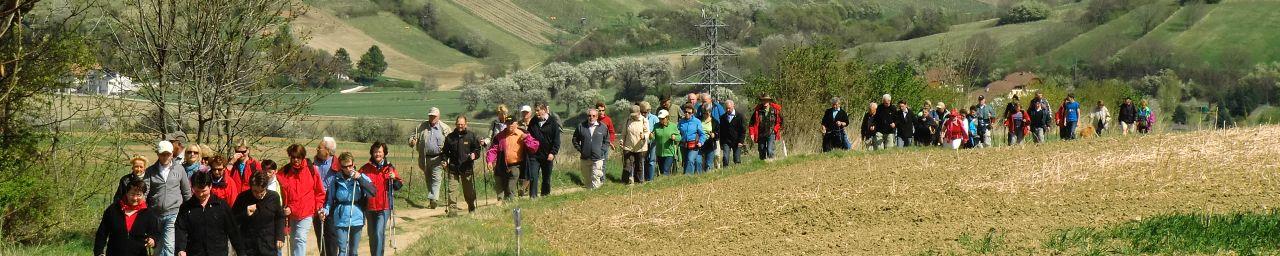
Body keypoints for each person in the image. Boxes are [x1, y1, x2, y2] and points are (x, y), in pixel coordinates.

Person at [277, 144, 326, 256]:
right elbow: (278, 191)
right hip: (290, 213)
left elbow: (319, 192)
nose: (295, 160)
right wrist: (284, 207)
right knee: (293, 240)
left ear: (303, 157)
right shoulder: (284, 172)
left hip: (306, 212)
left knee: (300, 238)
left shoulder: (312, 170)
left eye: (298, 157)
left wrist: (319, 207)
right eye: (293, 157)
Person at [175, 171, 240, 256]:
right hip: (195, 252)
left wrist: (241, 252)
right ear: (192, 188)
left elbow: (233, 231)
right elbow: (180, 230)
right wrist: (180, 249)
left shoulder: (221, 206)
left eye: (204, 191)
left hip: (218, 252)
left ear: (210, 186)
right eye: (197, 191)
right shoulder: (186, 207)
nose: (201, 194)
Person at [323, 152, 374, 256]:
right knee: (342, 250)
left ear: (353, 164)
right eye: (344, 166)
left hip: (357, 217)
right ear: (340, 166)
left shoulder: (361, 176)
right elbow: (329, 200)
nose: (348, 169)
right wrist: (325, 211)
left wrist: (360, 179)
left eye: (350, 166)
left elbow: (372, 192)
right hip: (340, 218)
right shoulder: (335, 180)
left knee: (353, 251)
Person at [95, 176, 161, 256]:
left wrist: (153, 240)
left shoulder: (148, 213)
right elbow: (102, 233)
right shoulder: (113, 210)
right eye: (132, 194)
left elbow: (155, 233)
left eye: (139, 195)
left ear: (143, 195)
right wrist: (99, 252)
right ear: (126, 193)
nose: (135, 198)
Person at [145, 140, 190, 256]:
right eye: (162, 154)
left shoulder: (179, 169)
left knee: (169, 245)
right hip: (155, 214)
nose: (165, 157)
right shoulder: (150, 171)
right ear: (158, 154)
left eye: (168, 154)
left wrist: (189, 212)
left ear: (172, 154)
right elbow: (145, 192)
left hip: (174, 213)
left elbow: (186, 192)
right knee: (159, 246)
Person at [359, 142, 402, 256]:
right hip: (370, 206)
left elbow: (398, 185)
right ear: (372, 153)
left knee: (379, 233)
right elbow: (358, 182)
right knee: (372, 235)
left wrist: (394, 179)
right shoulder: (365, 168)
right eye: (375, 152)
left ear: (384, 153)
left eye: (380, 152)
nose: (377, 154)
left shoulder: (389, 168)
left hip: (384, 206)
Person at [232, 171, 286, 256]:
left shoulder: (273, 197)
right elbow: (233, 220)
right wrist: (244, 213)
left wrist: (280, 236)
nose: (259, 194)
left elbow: (280, 217)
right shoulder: (242, 197)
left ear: (266, 187)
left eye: (262, 191)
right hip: (248, 246)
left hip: (268, 245)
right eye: (255, 191)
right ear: (251, 187)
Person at [486, 118, 540, 200]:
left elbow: (534, 147)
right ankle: (505, 203)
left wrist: (527, 138)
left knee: (510, 187)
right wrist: (490, 161)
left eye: (512, 123)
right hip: (502, 165)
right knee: (502, 186)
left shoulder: (523, 133)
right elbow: (493, 150)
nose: (510, 125)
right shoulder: (500, 136)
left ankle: (510, 203)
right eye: (508, 123)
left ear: (517, 124)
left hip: (516, 165)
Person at [409, 107, 449, 208]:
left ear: (438, 116)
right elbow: (412, 137)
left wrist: (448, 158)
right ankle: (432, 199)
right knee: (428, 179)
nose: (432, 118)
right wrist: (412, 141)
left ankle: (434, 198)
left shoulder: (444, 128)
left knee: (436, 178)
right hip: (424, 157)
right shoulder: (421, 126)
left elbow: (450, 142)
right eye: (430, 116)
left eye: (434, 116)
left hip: (438, 158)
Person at [443, 116, 482, 212]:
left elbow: (477, 149)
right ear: (455, 124)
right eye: (458, 124)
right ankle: (452, 211)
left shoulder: (471, 136)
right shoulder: (450, 137)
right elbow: (444, 152)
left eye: (462, 124)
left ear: (466, 124)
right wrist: (444, 160)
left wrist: (474, 155)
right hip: (453, 168)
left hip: (466, 168)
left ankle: (471, 206)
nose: (460, 126)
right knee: (452, 190)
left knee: (468, 191)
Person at [526, 103, 561, 198]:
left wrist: (553, 153)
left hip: (547, 155)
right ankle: (533, 197)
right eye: (535, 110)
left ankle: (545, 195)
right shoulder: (533, 121)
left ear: (544, 110)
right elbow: (529, 136)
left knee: (546, 178)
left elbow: (556, 140)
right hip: (534, 155)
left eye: (538, 110)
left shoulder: (553, 122)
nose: (536, 112)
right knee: (533, 176)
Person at [573, 108, 610, 188]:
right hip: (585, 158)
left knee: (596, 177)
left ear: (597, 117)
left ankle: (596, 196)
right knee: (587, 180)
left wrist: (602, 151)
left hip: (598, 158)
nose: (591, 117)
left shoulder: (603, 127)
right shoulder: (581, 126)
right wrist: (581, 150)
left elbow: (606, 141)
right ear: (587, 116)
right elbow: (575, 139)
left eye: (593, 116)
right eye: (589, 116)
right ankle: (589, 196)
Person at [749, 94, 784, 160]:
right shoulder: (757, 111)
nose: (765, 102)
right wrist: (752, 134)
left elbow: (780, 122)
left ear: (769, 101)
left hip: (771, 133)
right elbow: (751, 124)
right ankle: (763, 165)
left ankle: (771, 163)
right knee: (761, 150)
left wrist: (775, 129)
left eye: (766, 100)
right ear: (761, 101)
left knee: (770, 150)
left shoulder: (775, 110)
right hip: (760, 134)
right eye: (763, 100)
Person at [621, 105, 651, 184]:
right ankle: (625, 182)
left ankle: (639, 181)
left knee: (639, 165)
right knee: (627, 164)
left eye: (635, 115)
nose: (633, 117)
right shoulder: (628, 120)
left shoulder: (644, 120)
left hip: (640, 147)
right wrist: (621, 141)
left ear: (639, 112)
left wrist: (644, 136)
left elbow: (647, 132)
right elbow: (624, 133)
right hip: (628, 146)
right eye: (632, 115)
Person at [676, 104, 706, 174]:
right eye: (685, 112)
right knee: (686, 161)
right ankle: (690, 177)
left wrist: (701, 142)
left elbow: (702, 134)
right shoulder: (681, 122)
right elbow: (677, 132)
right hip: (684, 145)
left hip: (694, 145)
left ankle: (688, 177)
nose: (687, 114)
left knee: (690, 160)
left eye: (689, 112)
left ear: (692, 113)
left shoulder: (697, 122)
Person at [717, 100, 745, 167]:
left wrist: (741, 141)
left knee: (737, 159)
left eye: (729, 108)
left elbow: (743, 130)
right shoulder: (722, 118)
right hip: (726, 141)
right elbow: (721, 131)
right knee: (725, 158)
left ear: (733, 106)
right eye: (726, 108)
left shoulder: (740, 116)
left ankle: (738, 173)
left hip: (737, 141)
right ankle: (725, 172)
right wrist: (721, 143)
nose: (728, 110)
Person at [652, 110, 679, 177]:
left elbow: (679, 137)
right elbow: (653, 138)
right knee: (661, 171)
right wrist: (651, 136)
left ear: (667, 118)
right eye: (660, 118)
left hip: (669, 153)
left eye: (662, 118)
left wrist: (675, 137)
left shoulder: (673, 126)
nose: (661, 120)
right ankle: (665, 183)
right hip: (659, 153)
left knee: (665, 171)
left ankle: (665, 184)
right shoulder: (656, 126)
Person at [641, 101, 661, 181]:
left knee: (652, 160)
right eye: (642, 112)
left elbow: (658, 129)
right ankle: (642, 178)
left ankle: (651, 179)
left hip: (652, 142)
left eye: (645, 112)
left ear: (649, 111)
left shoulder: (654, 118)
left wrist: (653, 134)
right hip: (642, 143)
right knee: (643, 160)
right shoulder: (639, 119)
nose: (643, 114)